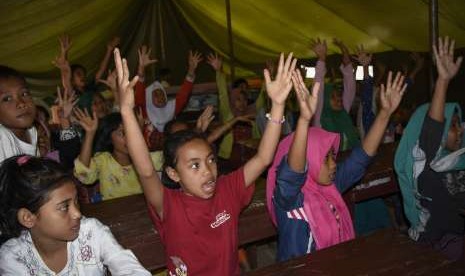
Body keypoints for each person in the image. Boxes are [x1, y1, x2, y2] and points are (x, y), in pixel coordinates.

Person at [116, 47, 296, 275]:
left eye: (210, 160)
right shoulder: (169, 205)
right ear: (173, 173)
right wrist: (126, 111)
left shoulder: (227, 189)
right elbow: (146, 172)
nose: (208, 171)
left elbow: (263, 158)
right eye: (194, 165)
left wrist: (278, 106)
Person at [267, 70, 406, 261]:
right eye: (325, 158)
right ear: (309, 161)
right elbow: (291, 175)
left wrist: (384, 114)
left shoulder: (328, 187)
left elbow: (361, 159)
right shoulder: (289, 199)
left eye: (333, 156)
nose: (334, 164)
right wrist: (304, 120)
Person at [0, 155, 150, 275]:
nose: (77, 213)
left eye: (76, 201)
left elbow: (126, 265)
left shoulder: (90, 232)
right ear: (28, 218)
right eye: (64, 207)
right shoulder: (13, 259)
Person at [394, 36, 465, 260]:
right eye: (452, 126)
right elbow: (431, 137)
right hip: (439, 246)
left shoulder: (457, 158)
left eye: (459, 124)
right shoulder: (426, 170)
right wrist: (442, 81)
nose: (460, 131)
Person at [73, 110, 163, 201]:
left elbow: (170, 156)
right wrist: (90, 134)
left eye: (130, 131)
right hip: (114, 213)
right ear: (110, 139)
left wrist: (137, 134)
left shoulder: (145, 159)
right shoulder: (103, 161)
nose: (128, 138)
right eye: (121, 133)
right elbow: (83, 175)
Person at [0, 65, 39, 162]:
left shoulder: (31, 131)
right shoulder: (2, 137)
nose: (21, 103)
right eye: (7, 99)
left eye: (24, 94)